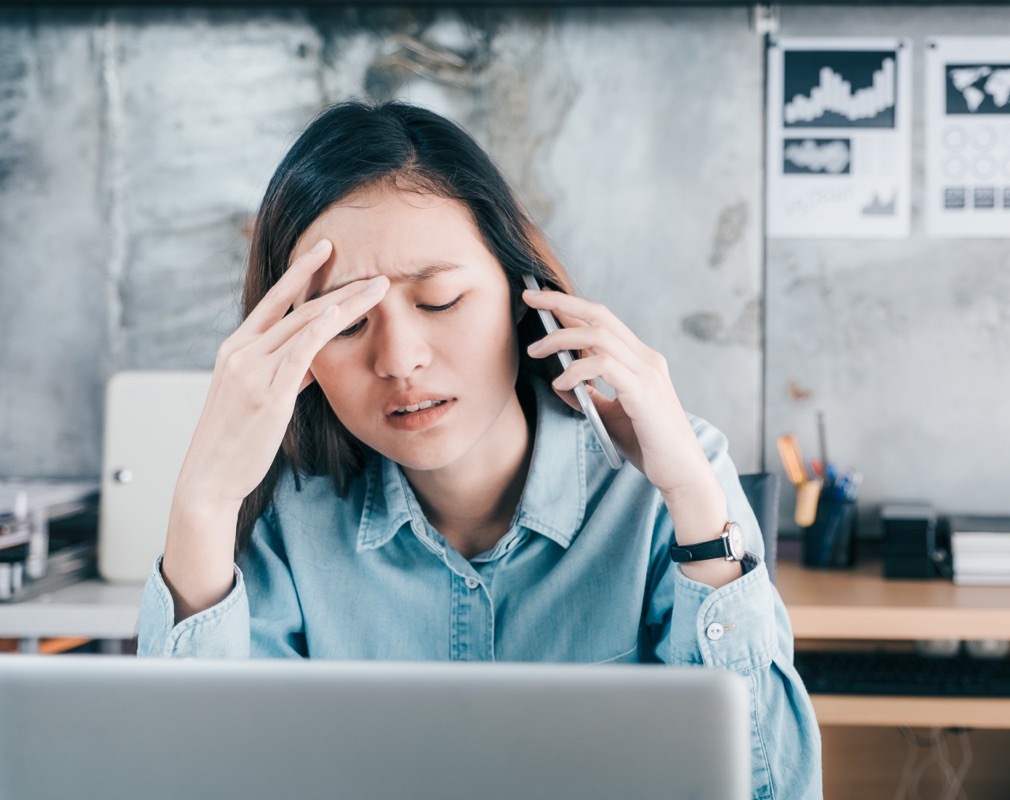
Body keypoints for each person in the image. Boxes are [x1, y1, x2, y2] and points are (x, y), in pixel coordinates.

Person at [138, 100, 821, 798]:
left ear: (523, 295)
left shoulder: (665, 481)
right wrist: (205, 500)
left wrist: (696, 509)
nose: (400, 360)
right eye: (343, 325)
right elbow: (188, 778)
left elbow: (772, 788)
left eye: (438, 301)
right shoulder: (290, 515)